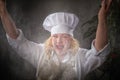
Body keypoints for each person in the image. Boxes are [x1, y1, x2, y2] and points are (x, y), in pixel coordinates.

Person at [0, 0, 112, 80]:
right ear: (50, 38)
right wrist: (3, 12)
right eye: (55, 36)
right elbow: (18, 41)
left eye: (64, 36)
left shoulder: (80, 57)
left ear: (72, 39)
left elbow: (99, 52)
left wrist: (101, 18)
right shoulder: (40, 52)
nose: (59, 41)